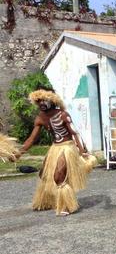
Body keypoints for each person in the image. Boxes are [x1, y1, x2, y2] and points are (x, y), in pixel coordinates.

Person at [15, 88, 96, 216]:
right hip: (55, 148)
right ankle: (47, 201)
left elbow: (74, 133)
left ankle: (67, 205)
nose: (41, 103)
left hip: (67, 147)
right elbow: (32, 138)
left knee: (59, 175)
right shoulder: (40, 118)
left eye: (44, 100)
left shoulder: (63, 115)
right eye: (39, 101)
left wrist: (82, 151)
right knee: (44, 174)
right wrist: (18, 153)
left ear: (52, 101)